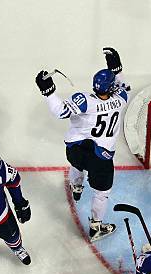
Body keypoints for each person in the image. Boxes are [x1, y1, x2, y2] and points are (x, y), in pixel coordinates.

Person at [35, 47, 130, 242]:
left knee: (77, 164)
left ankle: (76, 186)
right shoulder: (121, 99)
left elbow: (60, 111)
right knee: (101, 194)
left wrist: (48, 91)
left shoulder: (85, 100)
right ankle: (96, 227)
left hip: (76, 150)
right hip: (101, 158)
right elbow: (122, 85)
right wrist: (116, 68)